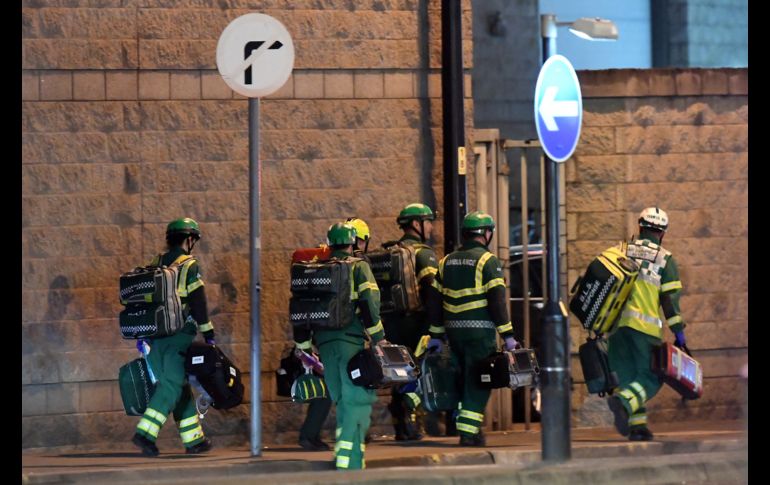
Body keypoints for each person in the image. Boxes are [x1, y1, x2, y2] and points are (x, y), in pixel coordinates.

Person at [293, 222, 387, 470]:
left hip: (323, 346)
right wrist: (379, 339)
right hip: (350, 344)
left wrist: (303, 348)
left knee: (342, 400)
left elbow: (301, 309)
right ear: (353, 242)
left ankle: (344, 458)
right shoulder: (359, 267)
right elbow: (369, 304)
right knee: (356, 401)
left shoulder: (315, 268)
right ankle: (350, 463)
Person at [427, 211, 518, 446]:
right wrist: (507, 336)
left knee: (461, 379)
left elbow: (434, 301)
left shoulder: (445, 261)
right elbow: (497, 301)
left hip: (453, 334)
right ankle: (468, 433)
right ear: (486, 234)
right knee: (479, 382)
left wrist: (435, 335)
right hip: (480, 334)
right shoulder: (488, 261)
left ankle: (469, 429)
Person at [132, 218, 215, 456]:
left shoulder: (155, 263)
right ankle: (144, 434)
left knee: (178, 384)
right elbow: (198, 301)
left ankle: (194, 441)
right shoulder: (189, 265)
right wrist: (208, 331)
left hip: (154, 336)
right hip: (178, 335)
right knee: (171, 386)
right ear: (189, 239)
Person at [606, 207, 687, 442]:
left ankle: (638, 427)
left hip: (615, 329)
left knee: (630, 378)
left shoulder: (619, 251)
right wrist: (679, 335)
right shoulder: (665, 259)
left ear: (640, 226)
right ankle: (622, 403)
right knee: (652, 377)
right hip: (644, 329)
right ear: (662, 233)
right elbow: (670, 303)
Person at [382, 203, 439, 441]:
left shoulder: (390, 252)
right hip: (416, 324)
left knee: (399, 372)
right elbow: (433, 293)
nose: (432, 227)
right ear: (417, 224)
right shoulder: (423, 253)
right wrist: (436, 328)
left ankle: (400, 427)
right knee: (419, 372)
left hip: (391, 323)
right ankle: (412, 423)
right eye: (428, 222)